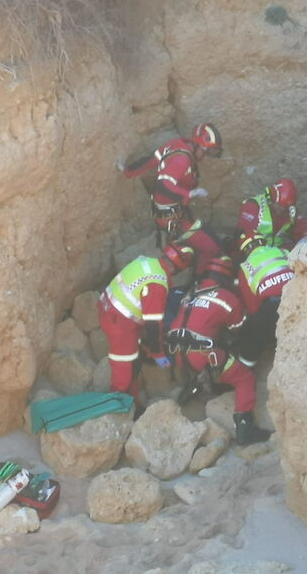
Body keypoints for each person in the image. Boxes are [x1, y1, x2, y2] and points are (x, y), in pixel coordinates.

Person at [165, 256, 272, 446]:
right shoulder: (226, 298)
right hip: (203, 354)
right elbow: (238, 328)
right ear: (226, 279)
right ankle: (245, 429)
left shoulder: (191, 293)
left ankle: (202, 383)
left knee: (215, 353)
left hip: (177, 353)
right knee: (245, 377)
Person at [98, 242, 195, 410]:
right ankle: (118, 405)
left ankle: (133, 403)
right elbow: (153, 324)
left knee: (133, 363)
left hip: (108, 306)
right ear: (178, 268)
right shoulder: (157, 284)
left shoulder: (147, 262)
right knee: (125, 365)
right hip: (120, 322)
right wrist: (158, 353)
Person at [121, 123, 223, 242]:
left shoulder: (178, 144)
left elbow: (150, 160)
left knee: (208, 236)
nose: (205, 156)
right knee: (211, 246)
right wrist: (190, 194)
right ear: (197, 145)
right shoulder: (182, 160)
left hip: (175, 209)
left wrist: (128, 171)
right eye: (205, 152)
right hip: (170, 216)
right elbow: (163, 186)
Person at [235, 234, 295, 367]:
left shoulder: (245, 267)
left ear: (245, 250)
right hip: (299, 297)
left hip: (274, 306)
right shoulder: (284, 251)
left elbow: (253, 307)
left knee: (251, 334)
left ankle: (246, 366)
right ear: (264, 242)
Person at [236, 178, 307, 253]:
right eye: (279, 206)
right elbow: (245, 235)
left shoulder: (290, 211)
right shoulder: (253, 206)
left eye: (285, 208)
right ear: (271, 198)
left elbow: (303, 231)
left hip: (279, 252)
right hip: (256, 253)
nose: (282, 210)